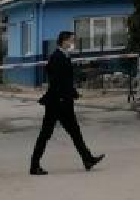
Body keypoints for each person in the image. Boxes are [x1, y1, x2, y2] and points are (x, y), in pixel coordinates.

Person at [29, 30, 104, 176]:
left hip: (63, 101)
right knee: (46, 134)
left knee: (75, 132)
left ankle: (87, 159)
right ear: (64, 41)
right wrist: (63, 97)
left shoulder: (63, 55)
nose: (73, 43)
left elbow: (65, 79)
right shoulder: (57, 57)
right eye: (71, 40)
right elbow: (56, 79)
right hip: (57, 103)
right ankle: (34, 165)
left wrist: (72, 93)